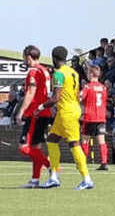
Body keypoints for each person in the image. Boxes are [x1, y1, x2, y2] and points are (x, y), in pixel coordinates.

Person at [41, 46, 94, 190]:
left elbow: (55, 98)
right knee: (52, 140)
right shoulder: (74, 72)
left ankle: (87, 179)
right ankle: (53, 177)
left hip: (66, 112)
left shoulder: (58, 74)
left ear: (54, 58)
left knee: (74, 144)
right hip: (71, 109)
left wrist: (40, 107)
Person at [15, 45, 53, 188]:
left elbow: (30, 93)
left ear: (28, 56)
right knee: (36, 147)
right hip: (45, 112)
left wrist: (20, 112)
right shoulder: (45, 70)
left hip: (35, 113)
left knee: (24, 147)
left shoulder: (33, 72)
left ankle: (51, 165)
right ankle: (35, 180)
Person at [81, 65, 109, 170]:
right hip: (101, 117)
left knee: (85, 140)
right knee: (101, 140)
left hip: (89, 117)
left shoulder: (87, 87)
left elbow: (80, 97)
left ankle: (83, 162)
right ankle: (104, 163)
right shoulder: (103, 87)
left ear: (91, 74)